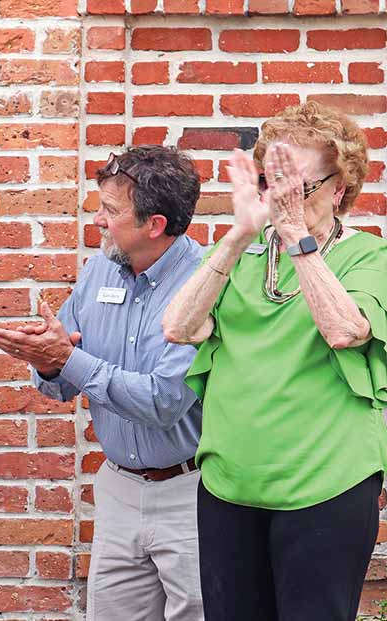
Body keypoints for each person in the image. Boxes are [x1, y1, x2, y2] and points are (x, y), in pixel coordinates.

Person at [162, 101, 387, 621]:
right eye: (272, 183)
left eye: (299, 187)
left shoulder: (369, 258)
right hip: (229, 487)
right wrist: (241, 233)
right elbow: (179, 328)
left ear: (339, 187)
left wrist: (296, 240)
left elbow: (344, 329)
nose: (282, 198)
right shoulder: (244, 256)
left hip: (326, 489)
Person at [0, 145, 205, 620]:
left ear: (155, 225)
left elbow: (163, 400)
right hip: (118, 490)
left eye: (110, 210)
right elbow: (61, 382)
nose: (98, 220)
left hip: (189, 495)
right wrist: (48, 361)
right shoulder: (98, 270)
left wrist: (68, 358)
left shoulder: (204, 284)